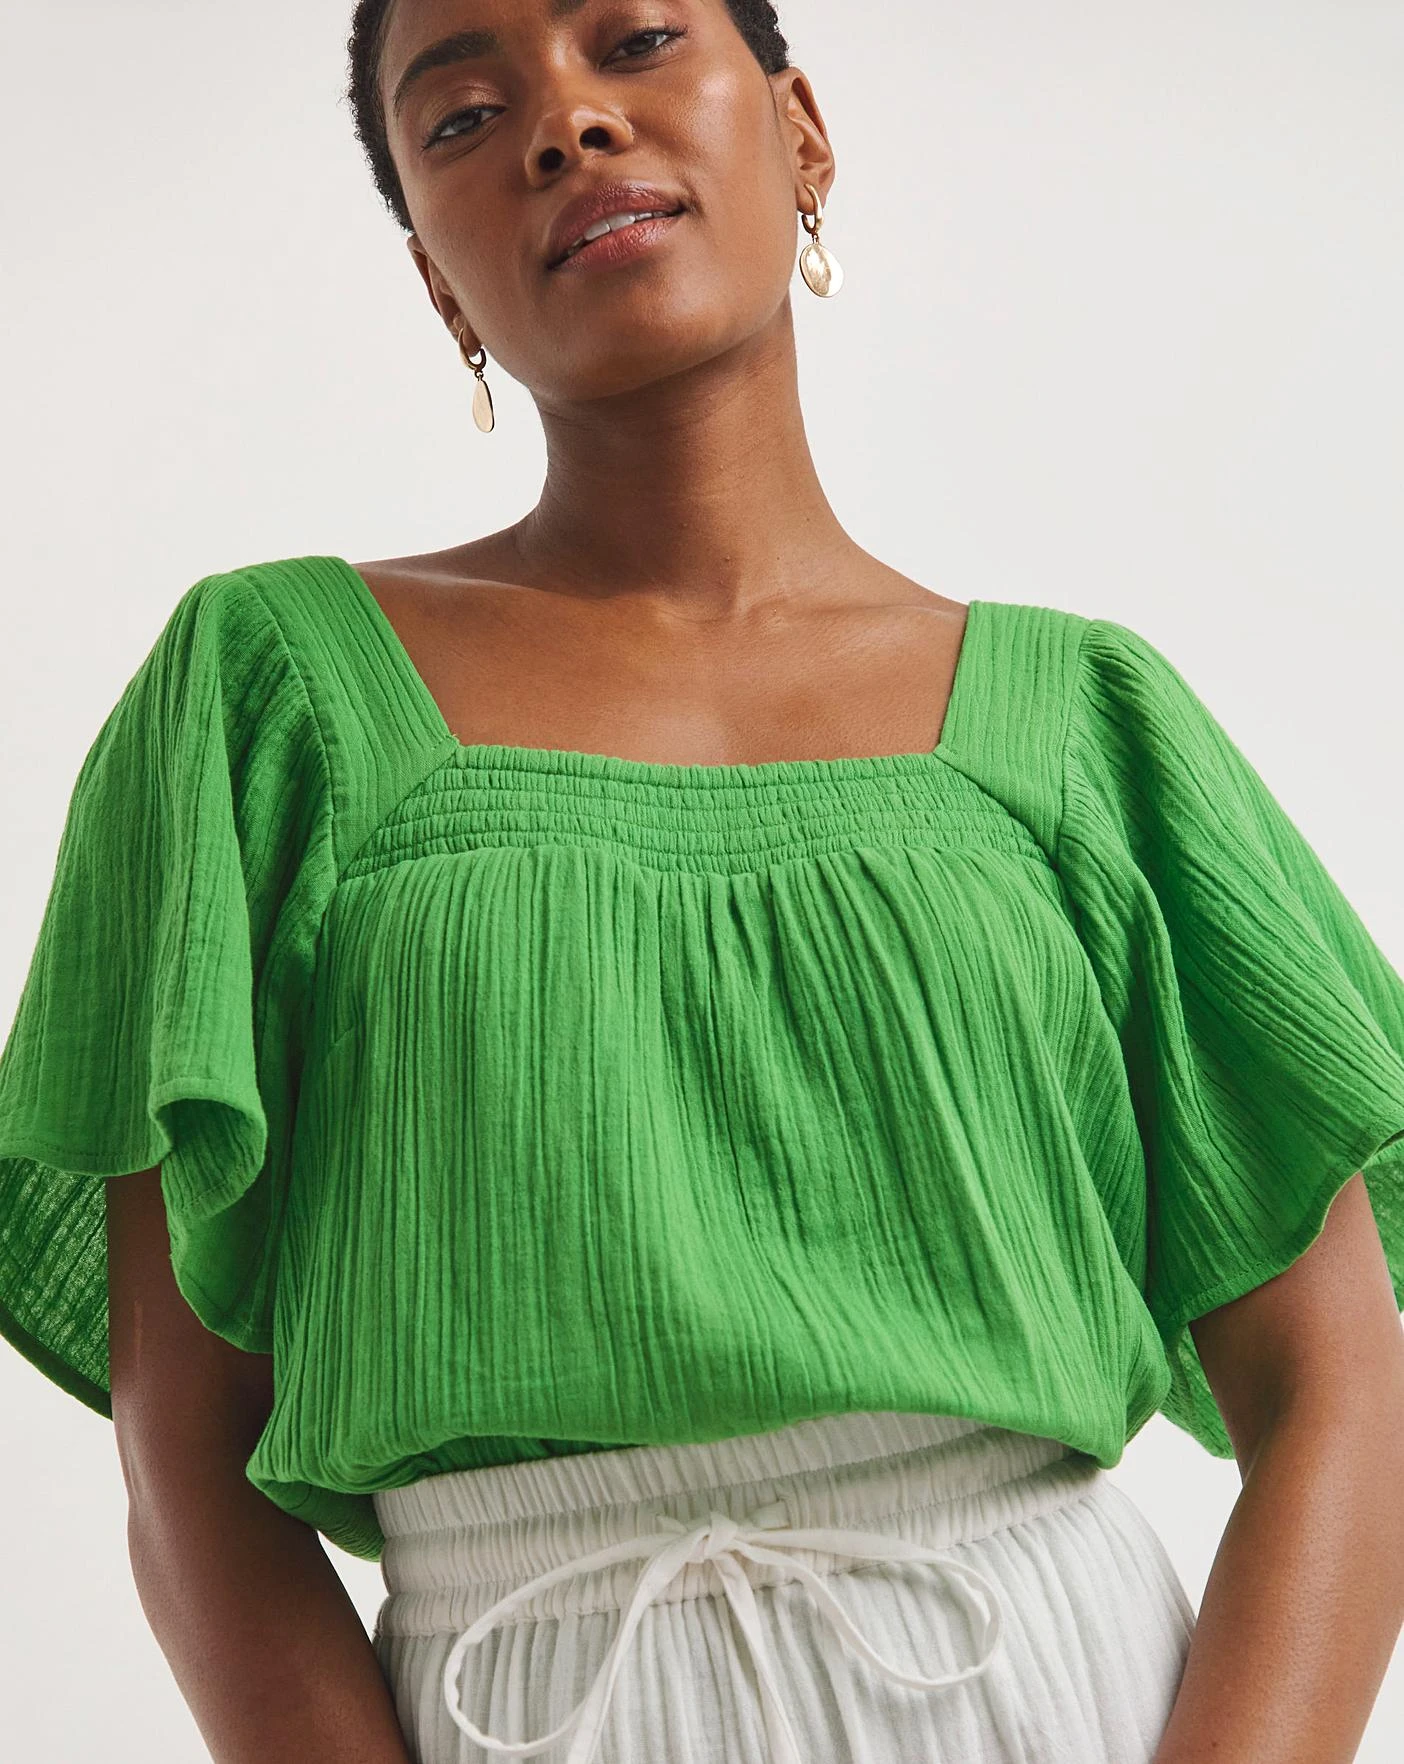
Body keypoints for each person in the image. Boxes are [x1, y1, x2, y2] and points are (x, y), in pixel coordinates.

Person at [3, 2, 1404, 1759]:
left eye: (640, 40)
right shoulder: (261, 690)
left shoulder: (1086, 718)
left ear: (802, 133)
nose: (566, 123)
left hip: (1056, 1688)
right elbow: (186, 1464)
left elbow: (1341, 1387)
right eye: (463, 116)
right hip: (537, 1703)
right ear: (438, 281)